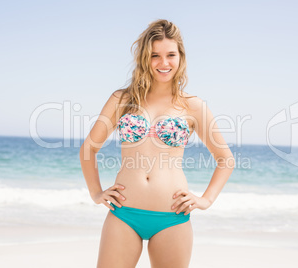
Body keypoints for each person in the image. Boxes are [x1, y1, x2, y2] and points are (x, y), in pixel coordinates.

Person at [80, 19, 234, 268]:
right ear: (144, 58)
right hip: (124, 215)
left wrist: (205, 200)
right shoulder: (122, 99)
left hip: (172, 217)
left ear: (180, 57)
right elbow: (89, 149)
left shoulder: (193, 106)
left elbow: (226, 159)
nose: (164, 63)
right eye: (155, 55)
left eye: (170, 55)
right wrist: (95, 192)